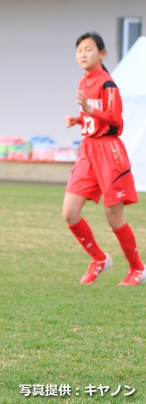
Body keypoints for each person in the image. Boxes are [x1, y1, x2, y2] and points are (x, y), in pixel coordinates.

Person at [63, 32, 144, 286]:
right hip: (87, 151)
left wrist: (90, 110)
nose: (83, 54)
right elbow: (94, 117)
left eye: (88, 49)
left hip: (109, 153)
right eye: (79, 50)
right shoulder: (83, 82)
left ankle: (137, 269)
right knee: (70, 212)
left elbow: (117, 121)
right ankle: (98, 258)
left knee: (113, 216)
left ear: (102, 54)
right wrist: (79, 119)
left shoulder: (108, 83)